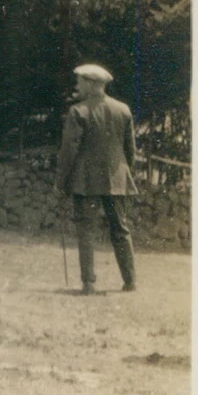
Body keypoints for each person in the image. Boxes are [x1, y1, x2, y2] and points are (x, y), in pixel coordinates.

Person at [55, 63, 138, 295]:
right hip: (117, 179)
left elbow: (69, 151)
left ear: (91, 84)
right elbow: (130, 151)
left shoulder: (78, 111)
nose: (77, 86)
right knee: (121, 229)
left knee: (86, 230)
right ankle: (131, 282)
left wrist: (61, 182)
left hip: (86, 181)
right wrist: (122, 174)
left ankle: (89, 283)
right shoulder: (123, 110)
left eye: (80, 81)